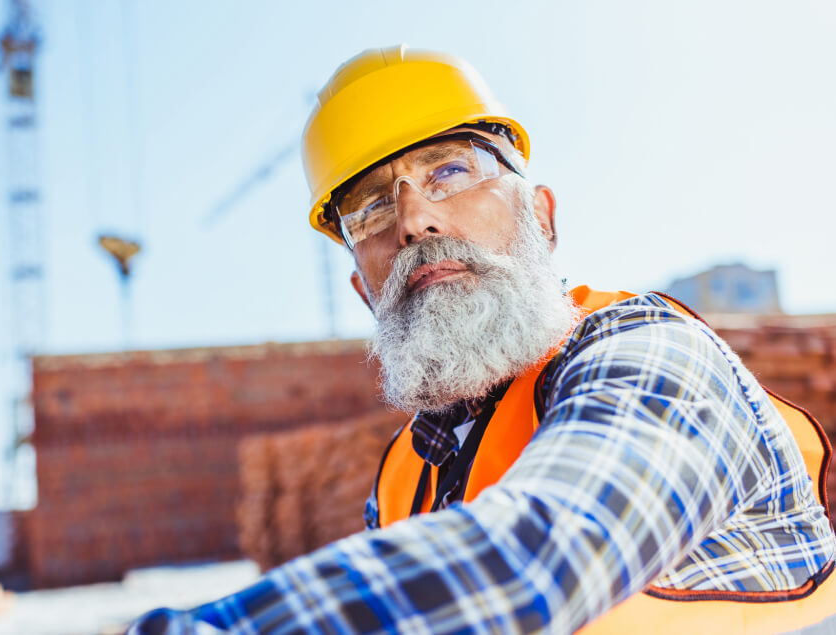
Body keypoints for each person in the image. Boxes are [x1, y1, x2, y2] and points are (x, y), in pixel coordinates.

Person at [130, 46, 836, 634]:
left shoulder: (652, 355)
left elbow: (541, 557)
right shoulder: (403, 475)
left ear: (543, 219)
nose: (414, 220)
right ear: (364, 291)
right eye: (372, 206)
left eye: (450, 170)